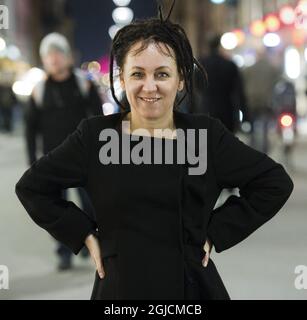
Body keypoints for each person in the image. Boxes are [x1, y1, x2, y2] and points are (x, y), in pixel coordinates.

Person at [15, 3, 293, 300]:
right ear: (122, 79)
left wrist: (215, 233)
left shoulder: (205, 136)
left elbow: (274, 183)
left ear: (181, 79)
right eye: (138, 74)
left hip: (191, 291)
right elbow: (33, 187)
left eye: (162, 74)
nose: (150, 86)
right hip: (120, 293)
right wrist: (83, 234)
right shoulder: (96, 137)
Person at [23, 32, 103, 270]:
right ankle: (65, 252)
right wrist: (32, 162)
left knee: (91, 204)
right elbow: (30, 129)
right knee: (57, 210)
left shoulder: (83, 83)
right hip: (52, 161)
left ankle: (91, 239)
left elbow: (98, 120)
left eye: (58, 53)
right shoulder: (38, 90)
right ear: (43, 60)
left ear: (67, 56)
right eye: (48, 55)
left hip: (83, 158)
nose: (54, 59)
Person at [196, 34, 248, 133]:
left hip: (206, 109)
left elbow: (196, 87)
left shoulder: (201, 64)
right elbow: (239, 92)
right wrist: (245, 116)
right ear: (219, 46)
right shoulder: (230, 65)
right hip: (227, 110)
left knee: (207, 144)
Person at [243, 49, 281, 153]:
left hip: (252, 100)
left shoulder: (250, 69)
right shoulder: (271, 68)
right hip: (266, 100)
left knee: (252, 125)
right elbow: (278, 79)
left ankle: (252, 146)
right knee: (264, 125)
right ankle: (264, 147)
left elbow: (243, 80)